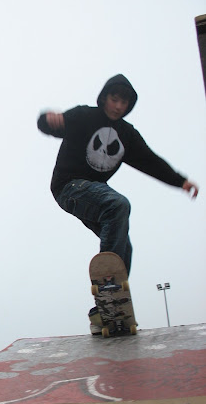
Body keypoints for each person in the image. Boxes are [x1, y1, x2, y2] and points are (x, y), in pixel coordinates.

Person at [37, 74, 199, 333]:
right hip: (69, 186)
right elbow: (55, 125)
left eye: (124, 103)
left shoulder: (127, 135)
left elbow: (150, 161)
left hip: (94, 195)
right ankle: (108, 287)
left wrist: (180, 181)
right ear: (104, 98)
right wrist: (47, 120)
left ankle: (104, 311)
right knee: (118, 204)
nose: (118, 107)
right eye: (114, 100)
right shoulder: (85, 116)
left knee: (124, 246)